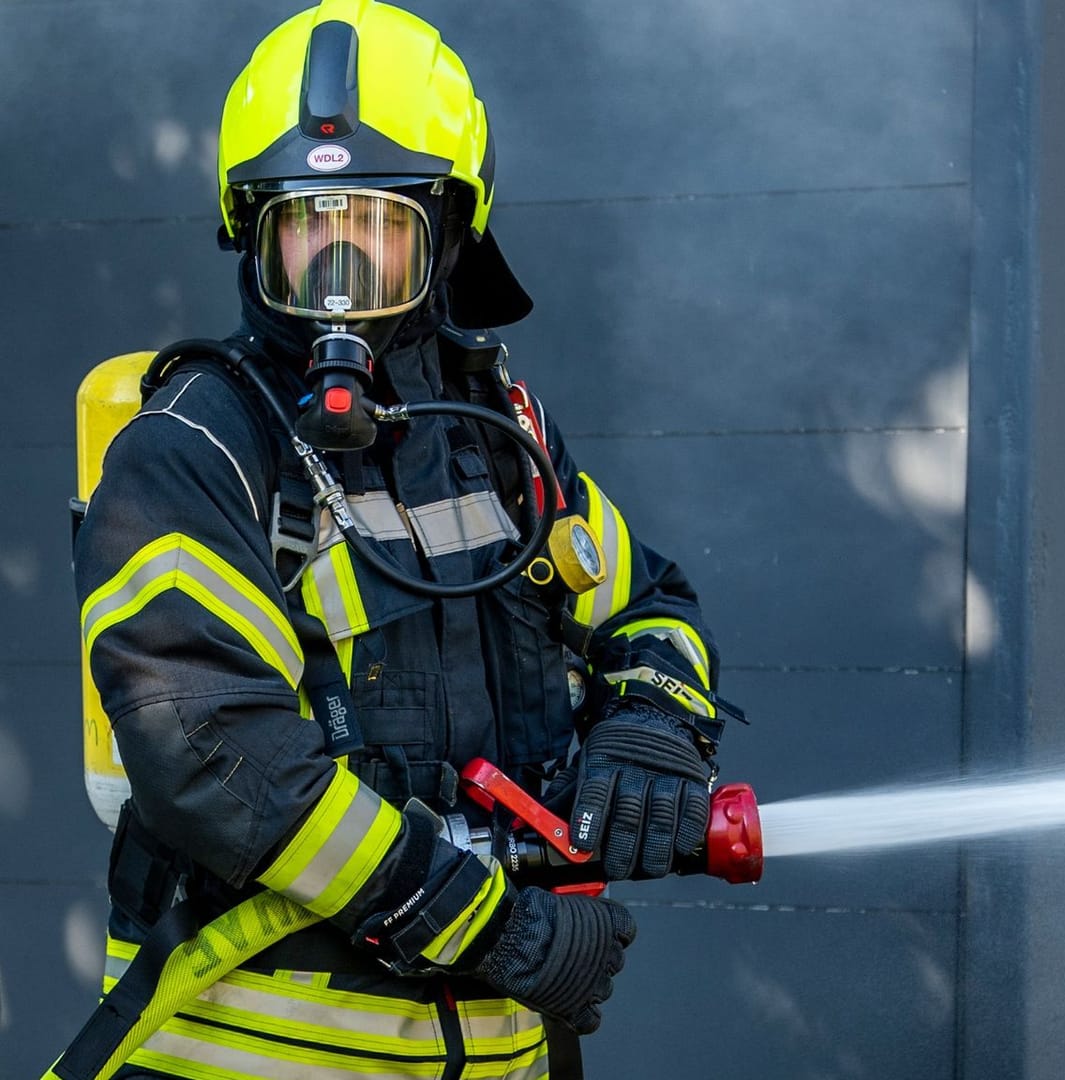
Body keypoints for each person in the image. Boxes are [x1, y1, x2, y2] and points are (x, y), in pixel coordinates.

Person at [63, 2, 736, 1077]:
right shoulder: (194, 446)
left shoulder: (501, 436)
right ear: (255, 236)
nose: (338, 268)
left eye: (375, 225)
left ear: (450, 232)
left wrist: (654, 725)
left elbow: (649, 605)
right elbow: (214, 754)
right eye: (305, 225)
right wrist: (498, 930)